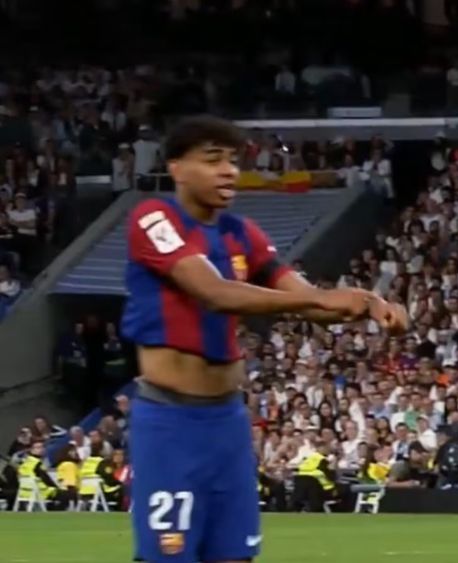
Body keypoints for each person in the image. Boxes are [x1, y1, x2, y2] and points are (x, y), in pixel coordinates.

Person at [121, 116, 409, 563]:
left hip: (228, 422)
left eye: (233, 161)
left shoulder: (242, 234)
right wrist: (327, 301)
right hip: (168, 420)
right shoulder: (153, 217)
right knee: (169, 555)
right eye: (212, 160)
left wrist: (370, 303)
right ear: (176, 168)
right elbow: (214, 293)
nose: (228, 171)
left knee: (236, 555)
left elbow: (307, 300)